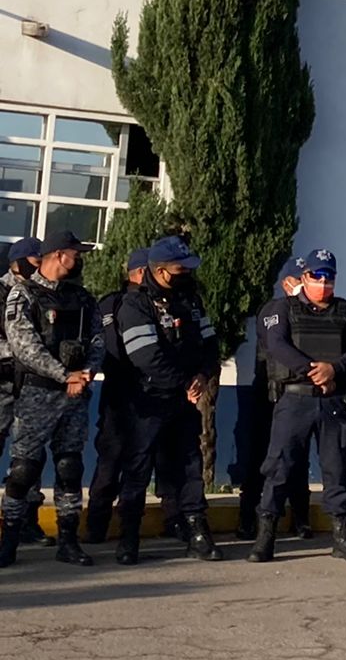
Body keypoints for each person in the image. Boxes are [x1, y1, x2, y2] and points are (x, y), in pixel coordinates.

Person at [249, 248, 346, 564]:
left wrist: (337, 369)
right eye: (317, 276)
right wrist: (315, 371)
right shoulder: (283, 309)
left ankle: (342, 537)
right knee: (278, 467)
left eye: (329, 277)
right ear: (304, 278)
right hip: (296, 398)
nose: (323, 283)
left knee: (338, 467)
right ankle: (266, 539)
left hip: (334, 401)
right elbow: (277, 345)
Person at [113, 235, 224, 566]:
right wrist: (182, 384)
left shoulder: (190, 300)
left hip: (185, 400)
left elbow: (209, 343)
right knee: (137, 468)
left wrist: (203, 376)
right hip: (147, 402)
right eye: (181, 269)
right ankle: (128, 538)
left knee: (190, 466)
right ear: (160, 271)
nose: (187, 274)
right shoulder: (135, 304)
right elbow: (146, 355)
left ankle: (196, 532)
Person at [0, 230, 104, 567]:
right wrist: (64, 375)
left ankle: (69, 541)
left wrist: (85, 372)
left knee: (70, 466)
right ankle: (10, 539)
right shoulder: (23, 295)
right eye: (77, 253)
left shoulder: (84, 299)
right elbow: (23, 346)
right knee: (23, 470)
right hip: (37, 394)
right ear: (60, 255)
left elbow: (98, 339)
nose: (80, 260)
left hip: (75, 395)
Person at [83, 248, 164, 543]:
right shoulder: (113, 304)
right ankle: (97, 527)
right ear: (142, 273)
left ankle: (125, 531)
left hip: (146, 393)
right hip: (123, 392)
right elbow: (111, 348)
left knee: (135, 466)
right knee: (113, 463)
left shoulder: (160, 304)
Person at [235, 264, 313, 543]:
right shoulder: (274, 310)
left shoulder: (313, 312)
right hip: (266, 393)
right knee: (260, 459)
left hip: (296, 393)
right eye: (298, 280)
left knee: (298, 459)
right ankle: (248, 520)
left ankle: (301, 519)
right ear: (287, 283)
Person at [0, 237, 50, 544]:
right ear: (17, 263)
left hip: (32, 387)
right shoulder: (1, 292)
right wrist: (25, 353)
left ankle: (26, 521)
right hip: (3, 384)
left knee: (30, 457)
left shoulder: (43, 295)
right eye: (34, 262)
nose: (38, 268)